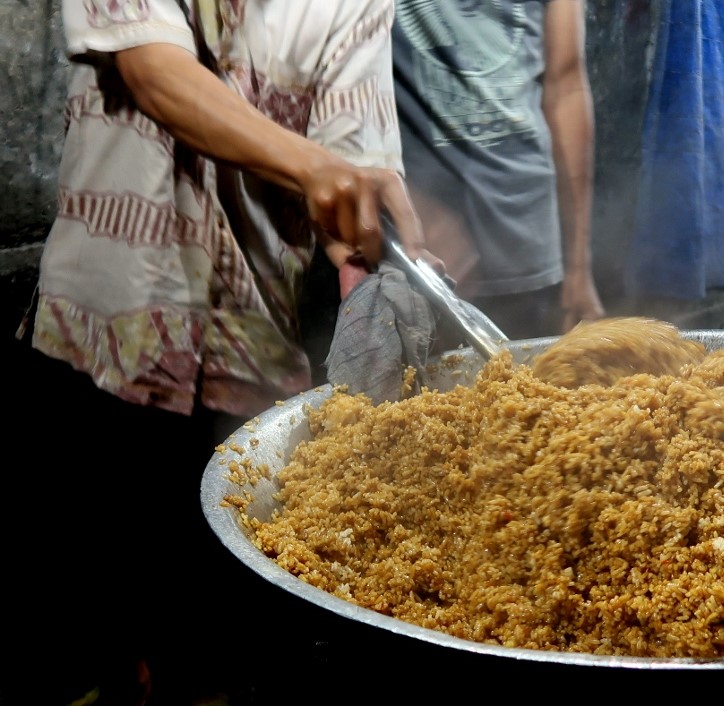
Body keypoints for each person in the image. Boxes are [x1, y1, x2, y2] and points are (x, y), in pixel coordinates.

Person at [5, 1, 440, 703]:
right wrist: (315, 167)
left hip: (246, 357)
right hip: (101, 338)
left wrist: (366, 237)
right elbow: (153, 72)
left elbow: (351, 176)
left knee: (218, 652)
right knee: (81, 634)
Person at [392, 0, 605, 340]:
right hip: (418, 258)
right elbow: (336, 85)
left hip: (530, 246)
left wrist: (577, 267)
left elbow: (565, 86)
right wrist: (417, 207)